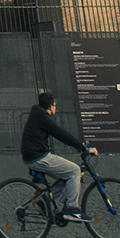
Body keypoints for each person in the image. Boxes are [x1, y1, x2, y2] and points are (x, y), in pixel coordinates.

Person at [20, 90, 98, 223]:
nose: (56, 108)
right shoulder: (43, 117)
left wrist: (79, 146)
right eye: (55, 106)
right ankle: (72, 209)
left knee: (65, 176)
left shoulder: (37, 114)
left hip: (33, 155)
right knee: (74, 171)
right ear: (50, 107)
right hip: (38, 157)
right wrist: (83, 148)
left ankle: (43, 204)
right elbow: (61, 134)